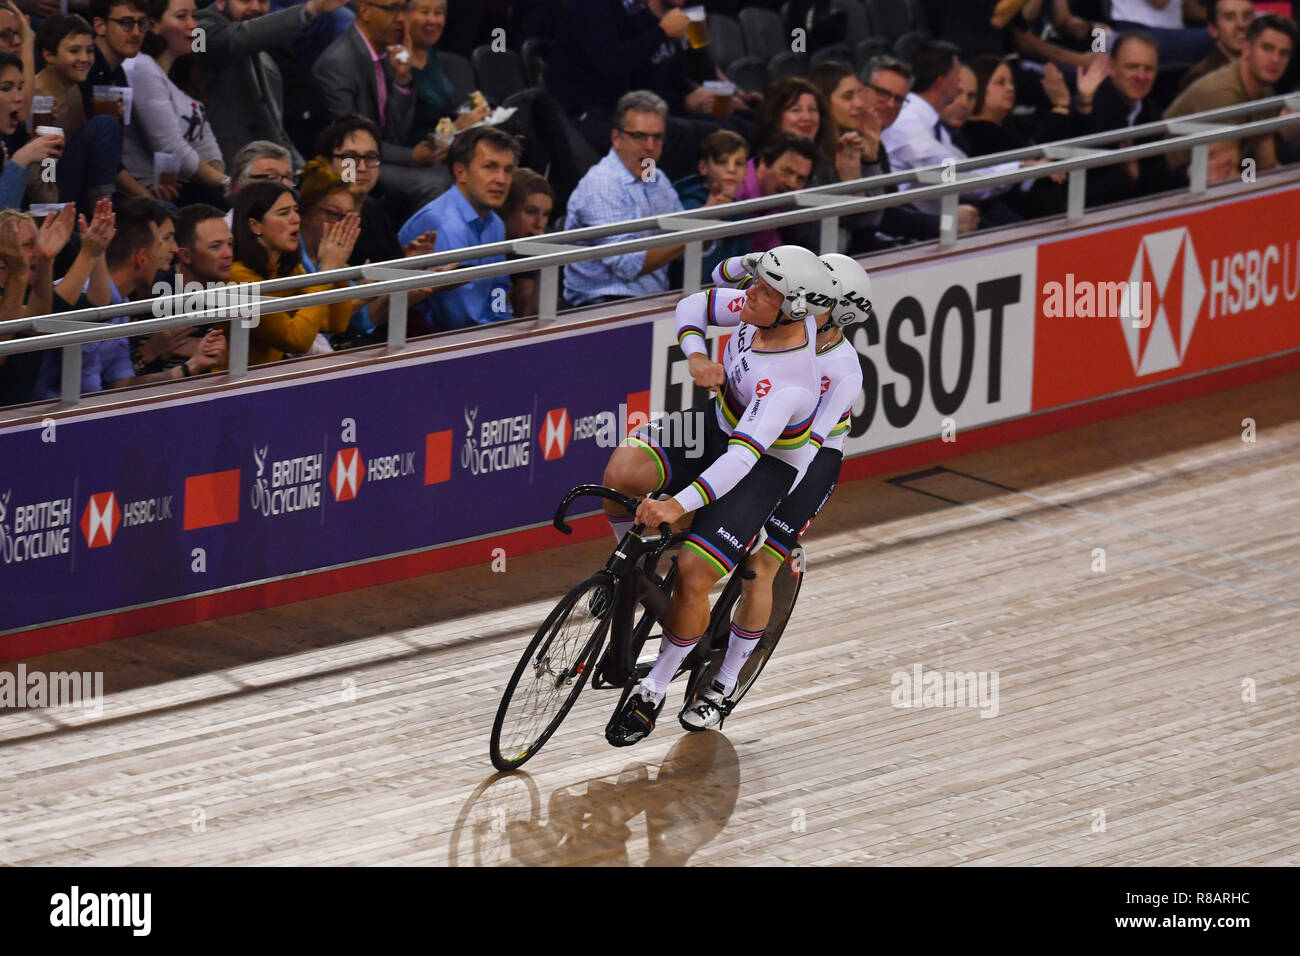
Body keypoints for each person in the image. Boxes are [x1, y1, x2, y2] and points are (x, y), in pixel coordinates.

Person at [601, 244, 838, 746]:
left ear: (790, 308)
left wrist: (674, 504)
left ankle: (655, 686)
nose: (749, 295)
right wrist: (696, 353)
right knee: (621, 472)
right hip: (716, 427)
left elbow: (740, 461)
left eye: (764, 291)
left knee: (693, 574)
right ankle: (636, 569)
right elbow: (692, 306)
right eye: (756, 284)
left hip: (762, 464)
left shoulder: (791, 381)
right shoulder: (761, 310)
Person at [678, 249, 871, 730]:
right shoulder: (787, 323)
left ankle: (724, 681)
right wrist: (750, 263)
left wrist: (768, 514)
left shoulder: (844, 369)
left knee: (758, 568)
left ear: (837, 314)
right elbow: (716, 279)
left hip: (809, 458)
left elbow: (811, 447)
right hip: (760, 432)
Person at [31, 198, 228, 398]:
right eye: (166, 238)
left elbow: (122, 386)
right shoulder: (77, 295)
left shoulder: (123, 304)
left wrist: (192, 366)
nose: (174, 249)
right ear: (141, 257)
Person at [543, 0, 745, 183]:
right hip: (587, 115)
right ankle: (663, 197)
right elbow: (612, 66)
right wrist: (661, 32)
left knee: (729, 126)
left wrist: (695, 96)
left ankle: (721, 200)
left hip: (627, 106)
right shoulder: (593, 7)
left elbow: (661, 71)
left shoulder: (637, 10)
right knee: (681, 135)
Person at [312, 0, 451, 214]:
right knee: (434, 182)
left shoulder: (389, 55)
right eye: (392, 9)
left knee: (446, 171)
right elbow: (350, 140)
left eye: (403, 9)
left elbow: (397, 132)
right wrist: (410, 156)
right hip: (350, 162)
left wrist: (402, 81)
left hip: (376, 155)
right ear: (365, 11)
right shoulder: (338, 63)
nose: (402, 18)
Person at [882, 39, 1040, 219]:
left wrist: (1021, 166)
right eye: (957, 77)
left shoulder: (933, 124)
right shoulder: (908, 124)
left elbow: (962, 166)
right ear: (941, 83)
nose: (960, 84)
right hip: (916, 229)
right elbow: (957, 177)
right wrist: (1020, 167)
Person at [562, 90, 685, 307]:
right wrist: (692, 241)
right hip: (601, 304)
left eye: (657, 137)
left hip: (652, 299)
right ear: (616, 138)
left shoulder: (656, 178)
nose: (650, 146)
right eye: (639, 136)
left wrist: (709, 218)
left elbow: (683, 235)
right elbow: (628, 264)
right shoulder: (602, 184)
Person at [196, 0, 352, 169]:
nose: (255, 7)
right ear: (220, 2)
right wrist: (310, 10)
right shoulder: (200, 31)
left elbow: (275, 126)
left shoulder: (266, 56)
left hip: (270, 166)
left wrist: (301, 171)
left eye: (263, 1)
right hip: (225, 169)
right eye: (245, 0)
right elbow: (238, 38)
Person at [397, 124, 516, 329]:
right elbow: (457, 319)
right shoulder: (443, 223)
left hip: (480, 333)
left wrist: (501, 322)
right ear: (461, 172)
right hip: (429, 341)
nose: (501, 180)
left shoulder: (495, 223)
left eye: (508, 170)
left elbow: (499, 288)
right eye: (490, 167)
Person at [229, 180, 360, 364]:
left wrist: (337, 270)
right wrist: (328, 270)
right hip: (229, 387)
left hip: (267, 380)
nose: (296, 219)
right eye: (284, 213)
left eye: (295, 210)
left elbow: (335, 323)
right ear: (255, 225)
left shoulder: (288, 268)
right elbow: (296, 340)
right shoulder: (238, 277)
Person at [122, 0, 230, 206]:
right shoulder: (141, 67)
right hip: (148, 196)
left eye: (194, 16)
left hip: (185, 188)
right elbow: (170, 146)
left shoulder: (184, 73)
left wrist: (218, 180)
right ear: (153, 25)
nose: (193, 25)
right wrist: (226, 183)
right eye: (182, 17)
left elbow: (205, 143)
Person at [1165, 14, 1297, 171]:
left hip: (1217, 177)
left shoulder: (1264, 87)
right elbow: (1225, 174)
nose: (1276, 59)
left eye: (1284, 53)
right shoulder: (1222, 93)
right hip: (1173, 184)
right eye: (1267, 48)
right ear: (1247, 48)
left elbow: (1264, 163)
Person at [1073, 31, 1177, 205]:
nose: (1141, 76)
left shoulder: (1150, 112)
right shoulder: (1092, 105)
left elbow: (1157, 179)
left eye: (1148, 69)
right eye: (1132, 67)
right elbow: (1082, 185)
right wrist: (1125, 175)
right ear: (1112, 68)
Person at [33, 13, 122, 213]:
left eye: (90, 51)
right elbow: (39, 172)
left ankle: (103, 210)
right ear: (48, 55)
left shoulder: (74, 89)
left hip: (69, 188)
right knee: (103, 125)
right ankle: (102, 213)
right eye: (74, 51)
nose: (84, 59)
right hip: (40, 194)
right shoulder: (34, 98)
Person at [402, 0, 489, 144]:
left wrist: (473, 118)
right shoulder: (395, 63)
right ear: (404, 16)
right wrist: (455, 128)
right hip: (416, 158)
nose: (432, 21)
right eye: (424, 12)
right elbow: (401, 136)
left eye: (438, 13)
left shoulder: (430, 54)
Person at [672, 128, 749, 281]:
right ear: (703, 167)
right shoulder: (687, 203)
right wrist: (707, 217)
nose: (732, 170)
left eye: (739, 163)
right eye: (722, 162)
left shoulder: (739, 208)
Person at [731, 132, 818, 253]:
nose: (792, 183)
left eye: (801, 178)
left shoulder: (774, 198)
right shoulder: (733, 191)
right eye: (787, 171)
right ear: (764, 162)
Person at [0, 51, 64, 210]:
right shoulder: (18, 152)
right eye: (6, 88)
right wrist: (21, 160)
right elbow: (5, 222)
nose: (19, 97)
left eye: (20, 87)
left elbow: (47, 202)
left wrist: (48, 164)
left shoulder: (11, 140)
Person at [501, 166, 553, 317]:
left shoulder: (546, 248)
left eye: (546, 214)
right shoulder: (490, 251)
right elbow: (496, 312)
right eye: (531, 212)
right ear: (507, 210)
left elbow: (538, 317)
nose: (539, 224)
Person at [1176, 0, 1254, 93]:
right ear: (1213, 29)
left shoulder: (1265, 68)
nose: (1241, 24)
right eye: (1229, 17)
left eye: (1247, 17)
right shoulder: (1198, 79)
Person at [1108, 0, 1216, 67]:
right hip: (1136, 31)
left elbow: (1189, 7)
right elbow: (1160, 2)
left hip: (1173, 34)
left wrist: (1224, 20)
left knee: (1224, 35)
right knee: (1213, 38)